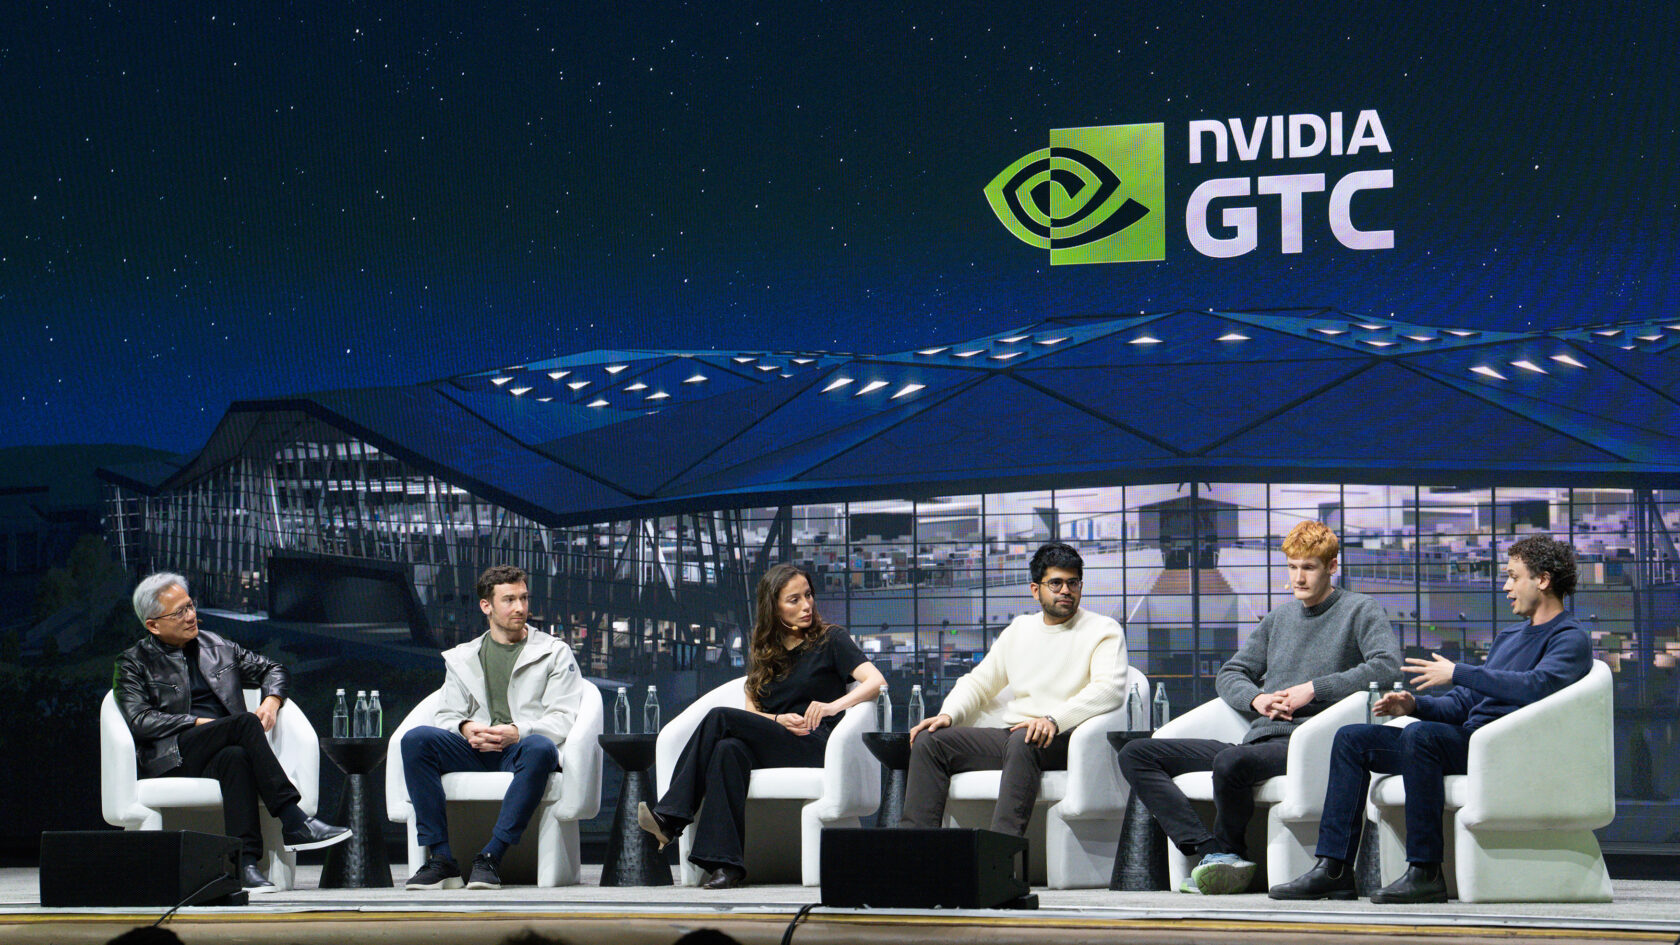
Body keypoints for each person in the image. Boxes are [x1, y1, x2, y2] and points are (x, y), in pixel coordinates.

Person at [1270, 533, 1593, 904]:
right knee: (1352, 740)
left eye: (1513, 576)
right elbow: (1462, 703)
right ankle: (1335, 870)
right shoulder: (1509, 638)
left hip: (1505, 748)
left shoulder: (1570, 638)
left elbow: (1536, 686)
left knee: (1422, 738)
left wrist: (1460, 673)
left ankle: (1425, 871)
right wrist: (1414, 706)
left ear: (1543, 579)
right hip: (1470, 740)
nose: (1505, 587)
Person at [1117, 521, 1400, 895]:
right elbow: (1232, 673)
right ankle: (1208, 850)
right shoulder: (1277, 620)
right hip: (1258, 741)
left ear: (1332, 567)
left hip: (1308, 742)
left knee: (1231, 763)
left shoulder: (1359, 610)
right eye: (1293, 567)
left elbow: (1386, 665)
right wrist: (1257, 699)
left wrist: (1312, 690)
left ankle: (1231, 851)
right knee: (1138, 753)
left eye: (1309, 567)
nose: (1299, 578)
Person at [638, 563, 885, 890]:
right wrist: (779, 720)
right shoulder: (765, 651)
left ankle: (670, 818)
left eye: (808, 595)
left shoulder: (831, 639)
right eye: (794, 600)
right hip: (776, 740)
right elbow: (752, 712)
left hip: (817, 744)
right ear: (775, 607)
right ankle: (726, 867)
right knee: (727, 750)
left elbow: (876, 682)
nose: (806, 605)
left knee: (719, 718)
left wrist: (831, 707)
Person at [113, 572, 351, 893]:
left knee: (236, 757)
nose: (192, 616)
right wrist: (196, 724)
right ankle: (294, 820)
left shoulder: (217, 646)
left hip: (223, 748)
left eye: (191, 606)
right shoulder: (132, 663)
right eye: (179, 612)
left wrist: (272, 700)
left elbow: (272, 668)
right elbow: (140, 720)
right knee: (244, 723)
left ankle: (246, 863)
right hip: (175, 754)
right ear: (153, 624)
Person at [900, 542, 1128, 838]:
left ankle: (999, 857)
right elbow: (978, 682)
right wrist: (948, 714)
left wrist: (1052, 720)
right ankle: (915, 852)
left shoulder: (1103, 630)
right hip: (1013, 734)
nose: (1066, 591)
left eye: (1073, 583)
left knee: (1025, 739)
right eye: (1056, 583)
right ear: (1036, 590)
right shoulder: (1020, 629)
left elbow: (1108, 690)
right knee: (931, 742)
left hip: (1066, 737)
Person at [401, 564, 588, 890]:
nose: (520, 608)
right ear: (486, 606)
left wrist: (518, 731)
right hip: (475, 747)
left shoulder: (553, 652)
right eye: (509, 600)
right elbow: (446, 713)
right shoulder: (464, 657)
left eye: (524, 598)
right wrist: (466, 727)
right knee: (416, 740)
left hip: (519, 747)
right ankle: (441, 857)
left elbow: (563, 718)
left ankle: (491, 857)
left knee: (541, 748)